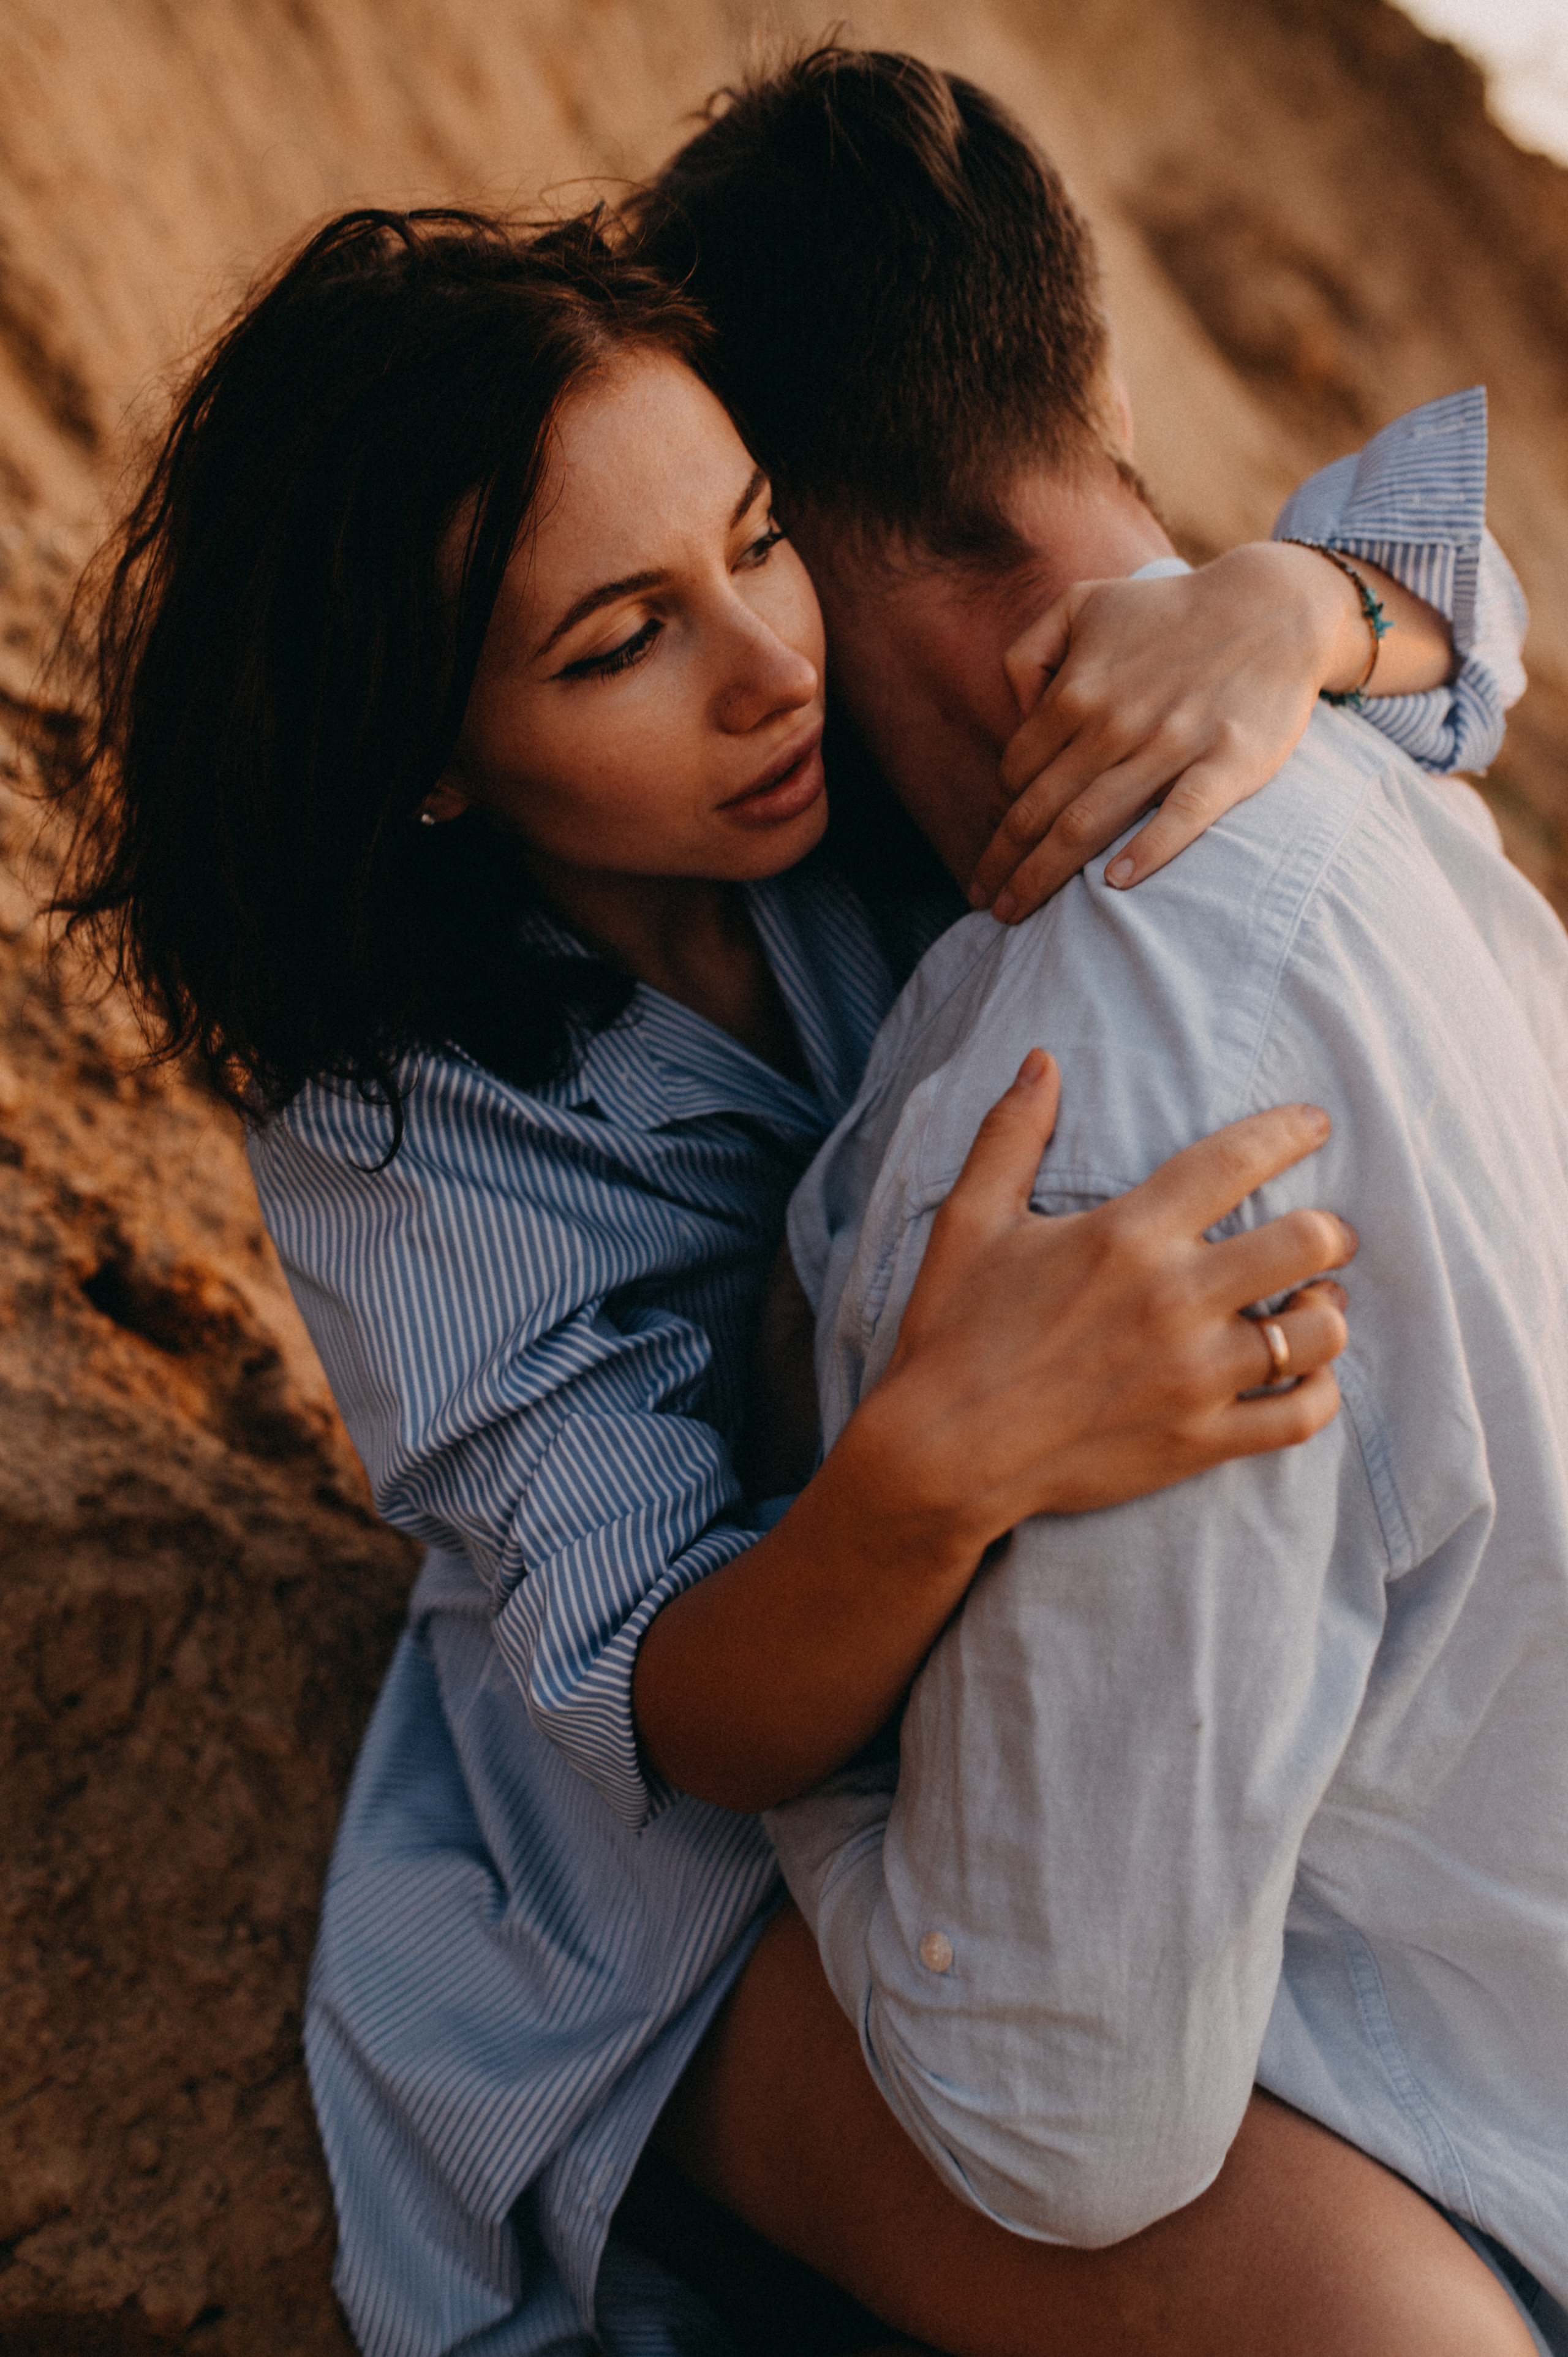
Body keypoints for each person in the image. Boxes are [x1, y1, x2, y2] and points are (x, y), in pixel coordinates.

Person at [46, 204, 1526, 2357]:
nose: (768, 662)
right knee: (1396, 2334)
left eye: (756, 536)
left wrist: (1290, 607)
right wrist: (930, 1470)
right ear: (435, 763)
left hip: (1017, 1671)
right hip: (675, 1857)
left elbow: (1465, 591)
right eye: (619, 641)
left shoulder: (853, 769)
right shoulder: (399, 1123)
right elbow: (678, 1705)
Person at [639, 45, 1568, 2355]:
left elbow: (1054, 2113)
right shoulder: (1386, 790)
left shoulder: (1092, 1115)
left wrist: (816, 1786)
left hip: (1460, 2175)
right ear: (1096, 381)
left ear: (797, 541)